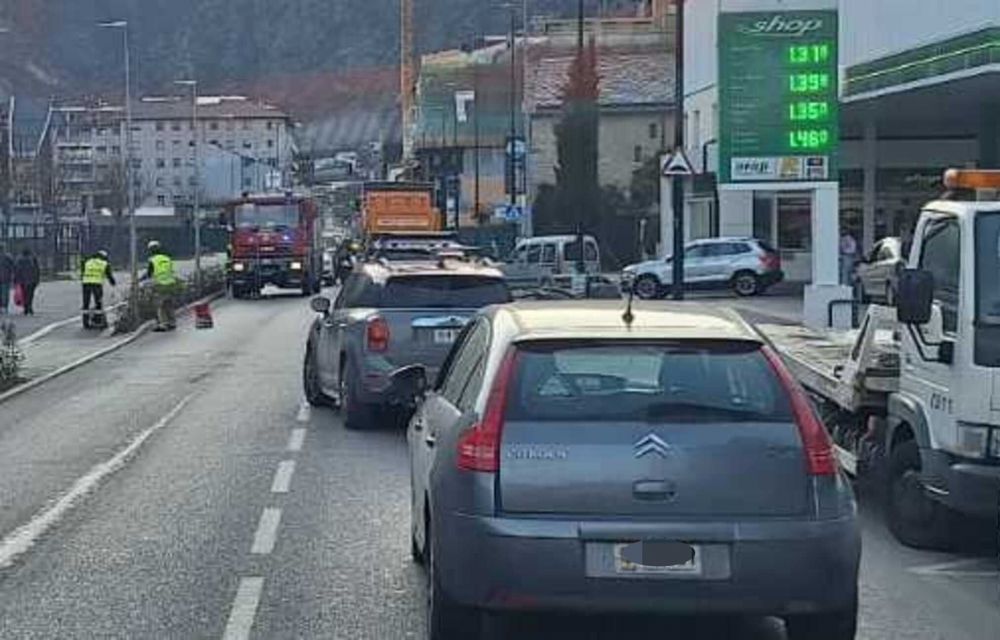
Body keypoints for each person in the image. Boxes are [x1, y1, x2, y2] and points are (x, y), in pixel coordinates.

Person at [144, 240, 177, 331]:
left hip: (160, 284)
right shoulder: (167, 258)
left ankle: (163, 324)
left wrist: (142, 279)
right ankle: (172, 322)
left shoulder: (152, 260)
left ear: (151, 250)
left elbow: (149, 273)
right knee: (169, 304)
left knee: (160, 306)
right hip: (170, 283)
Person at [81, 249, 116, 328]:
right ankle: (99, 321)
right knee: (98, 303)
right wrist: (113, 283)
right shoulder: (104, 263)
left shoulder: (88, 262)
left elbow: (83, 271)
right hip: (97, 284)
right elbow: (109, 275)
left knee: (86, 303)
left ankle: (85, 323)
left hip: (86, 283)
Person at [14, 248, 41, 315]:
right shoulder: (33, 258)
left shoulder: (19, 259)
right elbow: (37, 269)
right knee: (30, 294)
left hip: (22, 280)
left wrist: (16, 280)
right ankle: (29, 307)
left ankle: (26, 307)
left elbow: (17, 270)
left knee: (24, 294)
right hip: (32, 280)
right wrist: (37, 279)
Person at [0, 246, 15, 315]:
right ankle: (4, 307)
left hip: (4, 277)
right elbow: (13, 267)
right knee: (5, 293)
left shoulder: (8, 257)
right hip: (6, 277)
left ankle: (2, 306)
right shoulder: (8, 257)